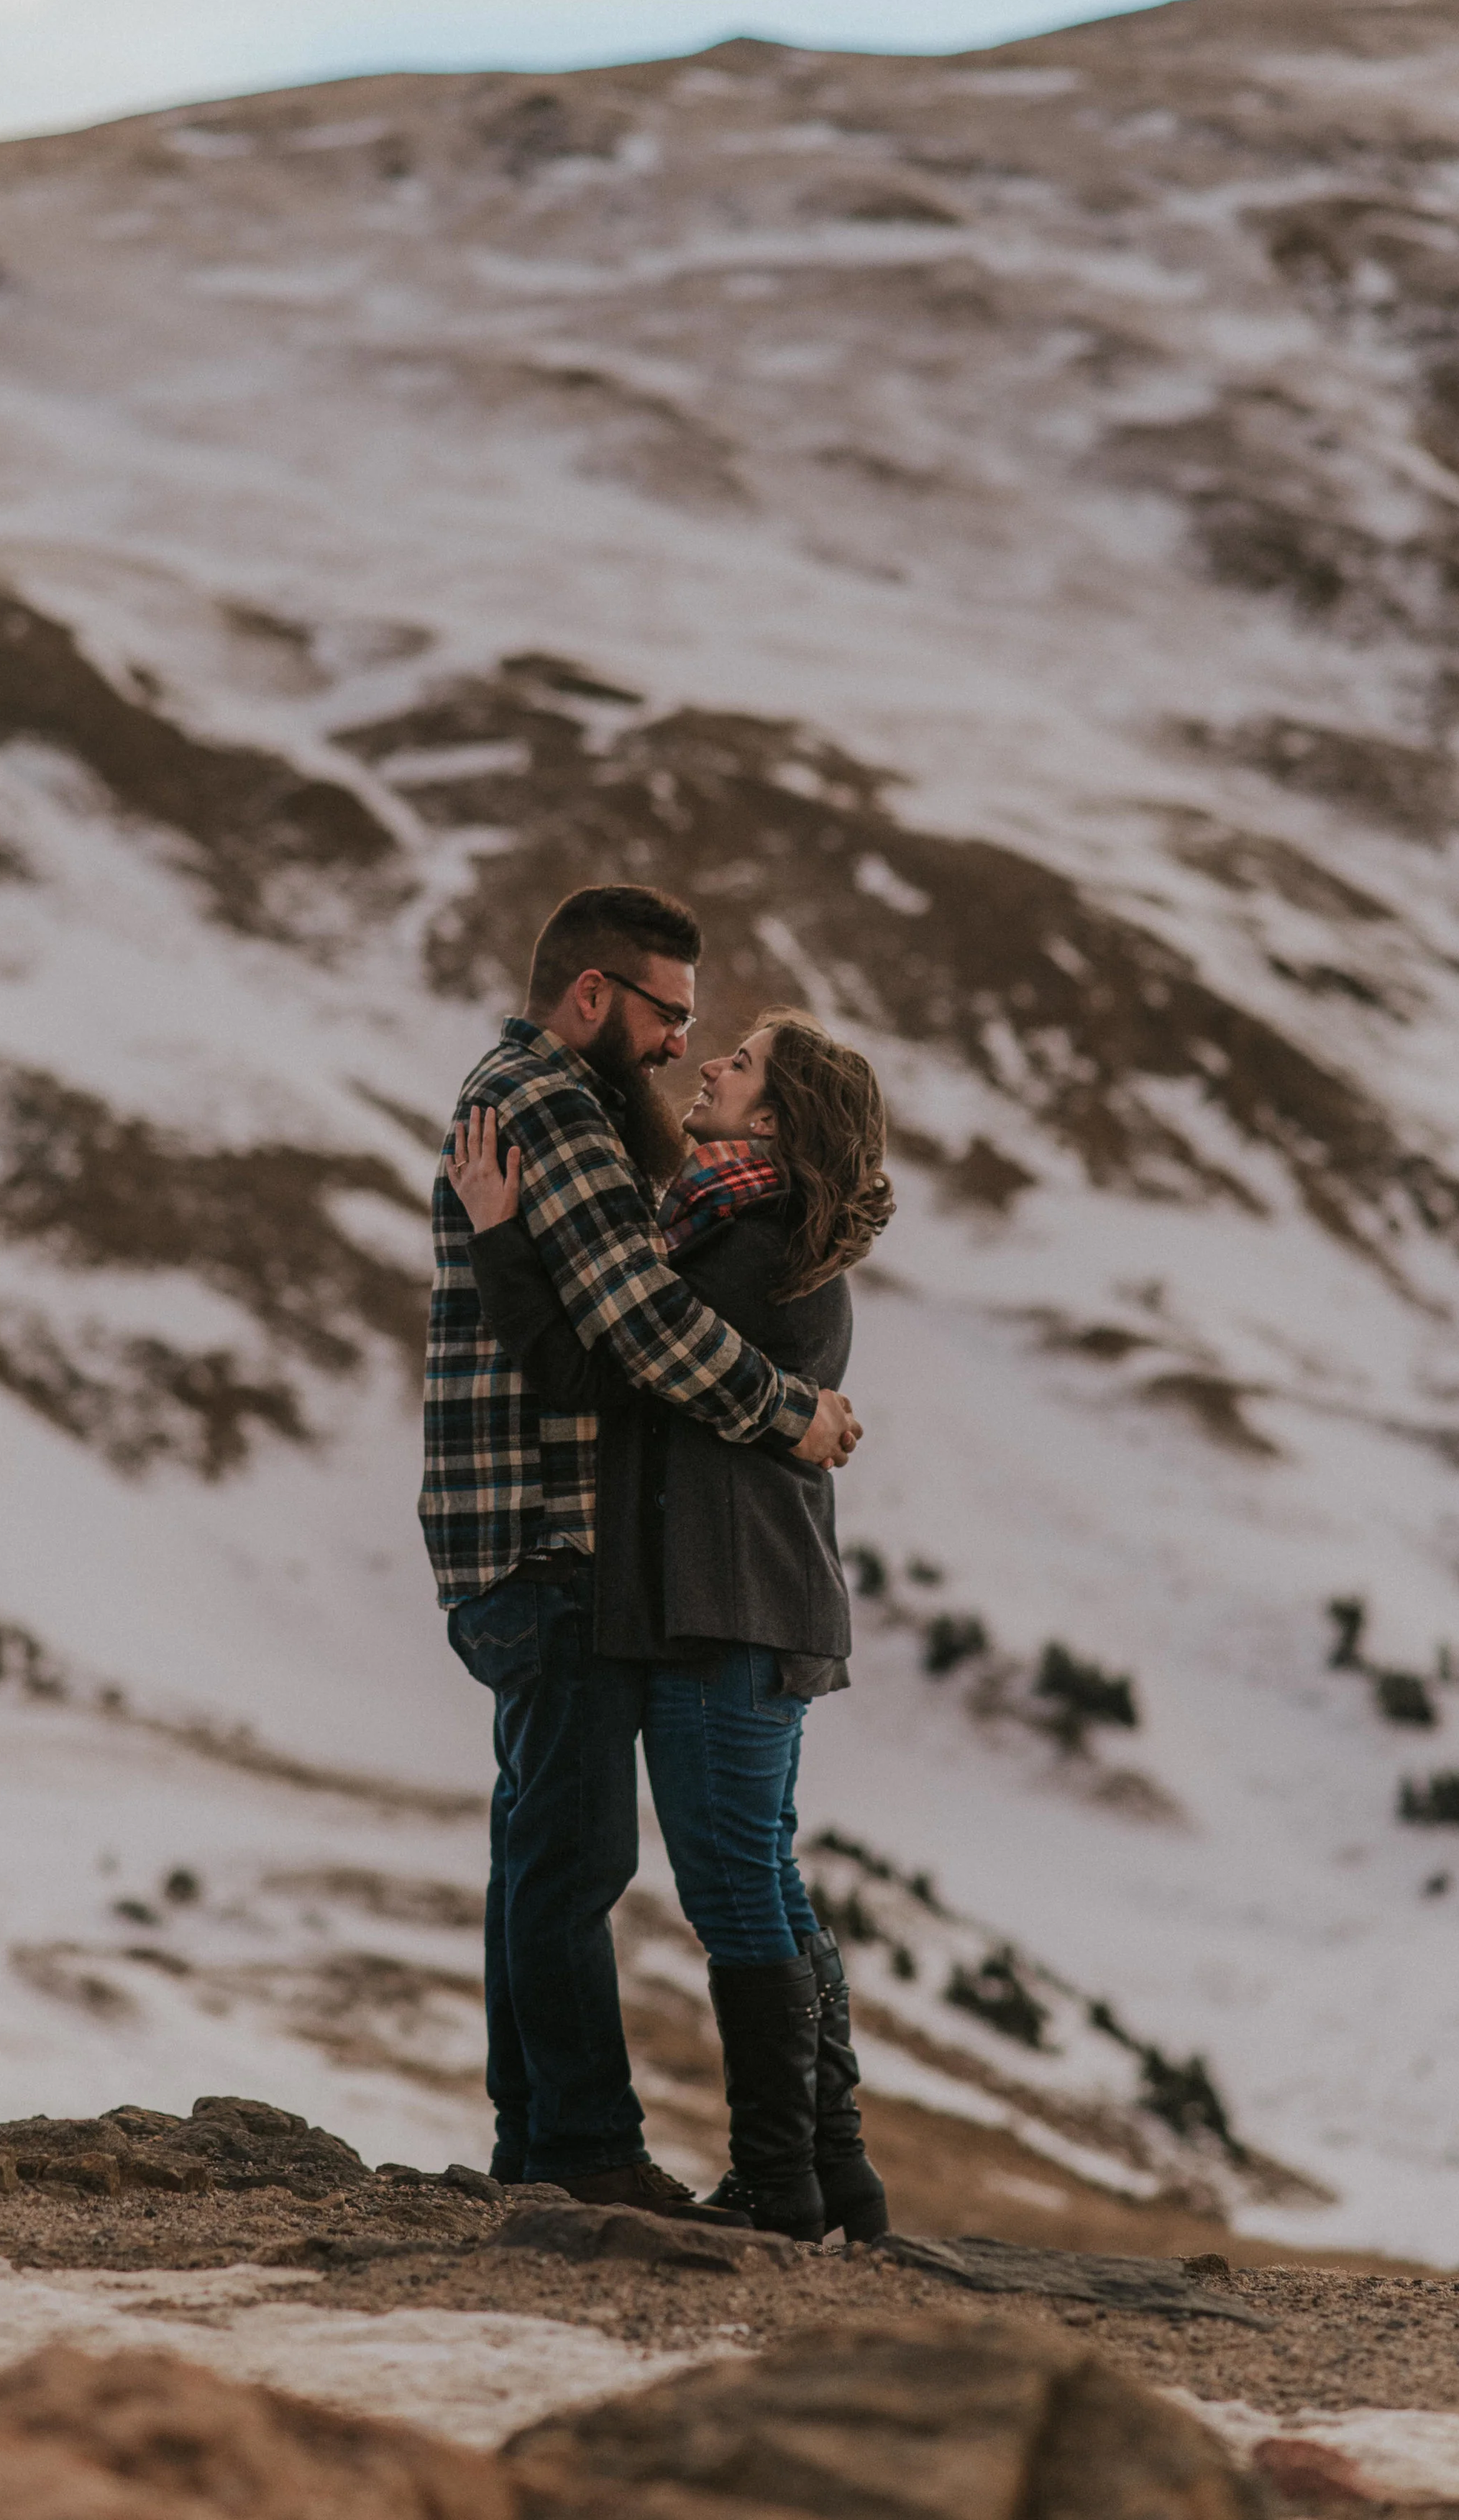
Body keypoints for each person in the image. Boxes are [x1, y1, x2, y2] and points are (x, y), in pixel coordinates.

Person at [421, 886, 861, 2214]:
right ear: (596, 996)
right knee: (582, 1863)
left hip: (555, 1549)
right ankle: (587, 2151)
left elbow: (623, 1311)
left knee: (559, 1858)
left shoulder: (576, 1108)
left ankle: (556, 2144)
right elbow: (636, 1330)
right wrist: (799, 1419)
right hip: (548, 1541)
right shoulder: (550, 1103)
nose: (685, 1042)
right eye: (672, 1014)